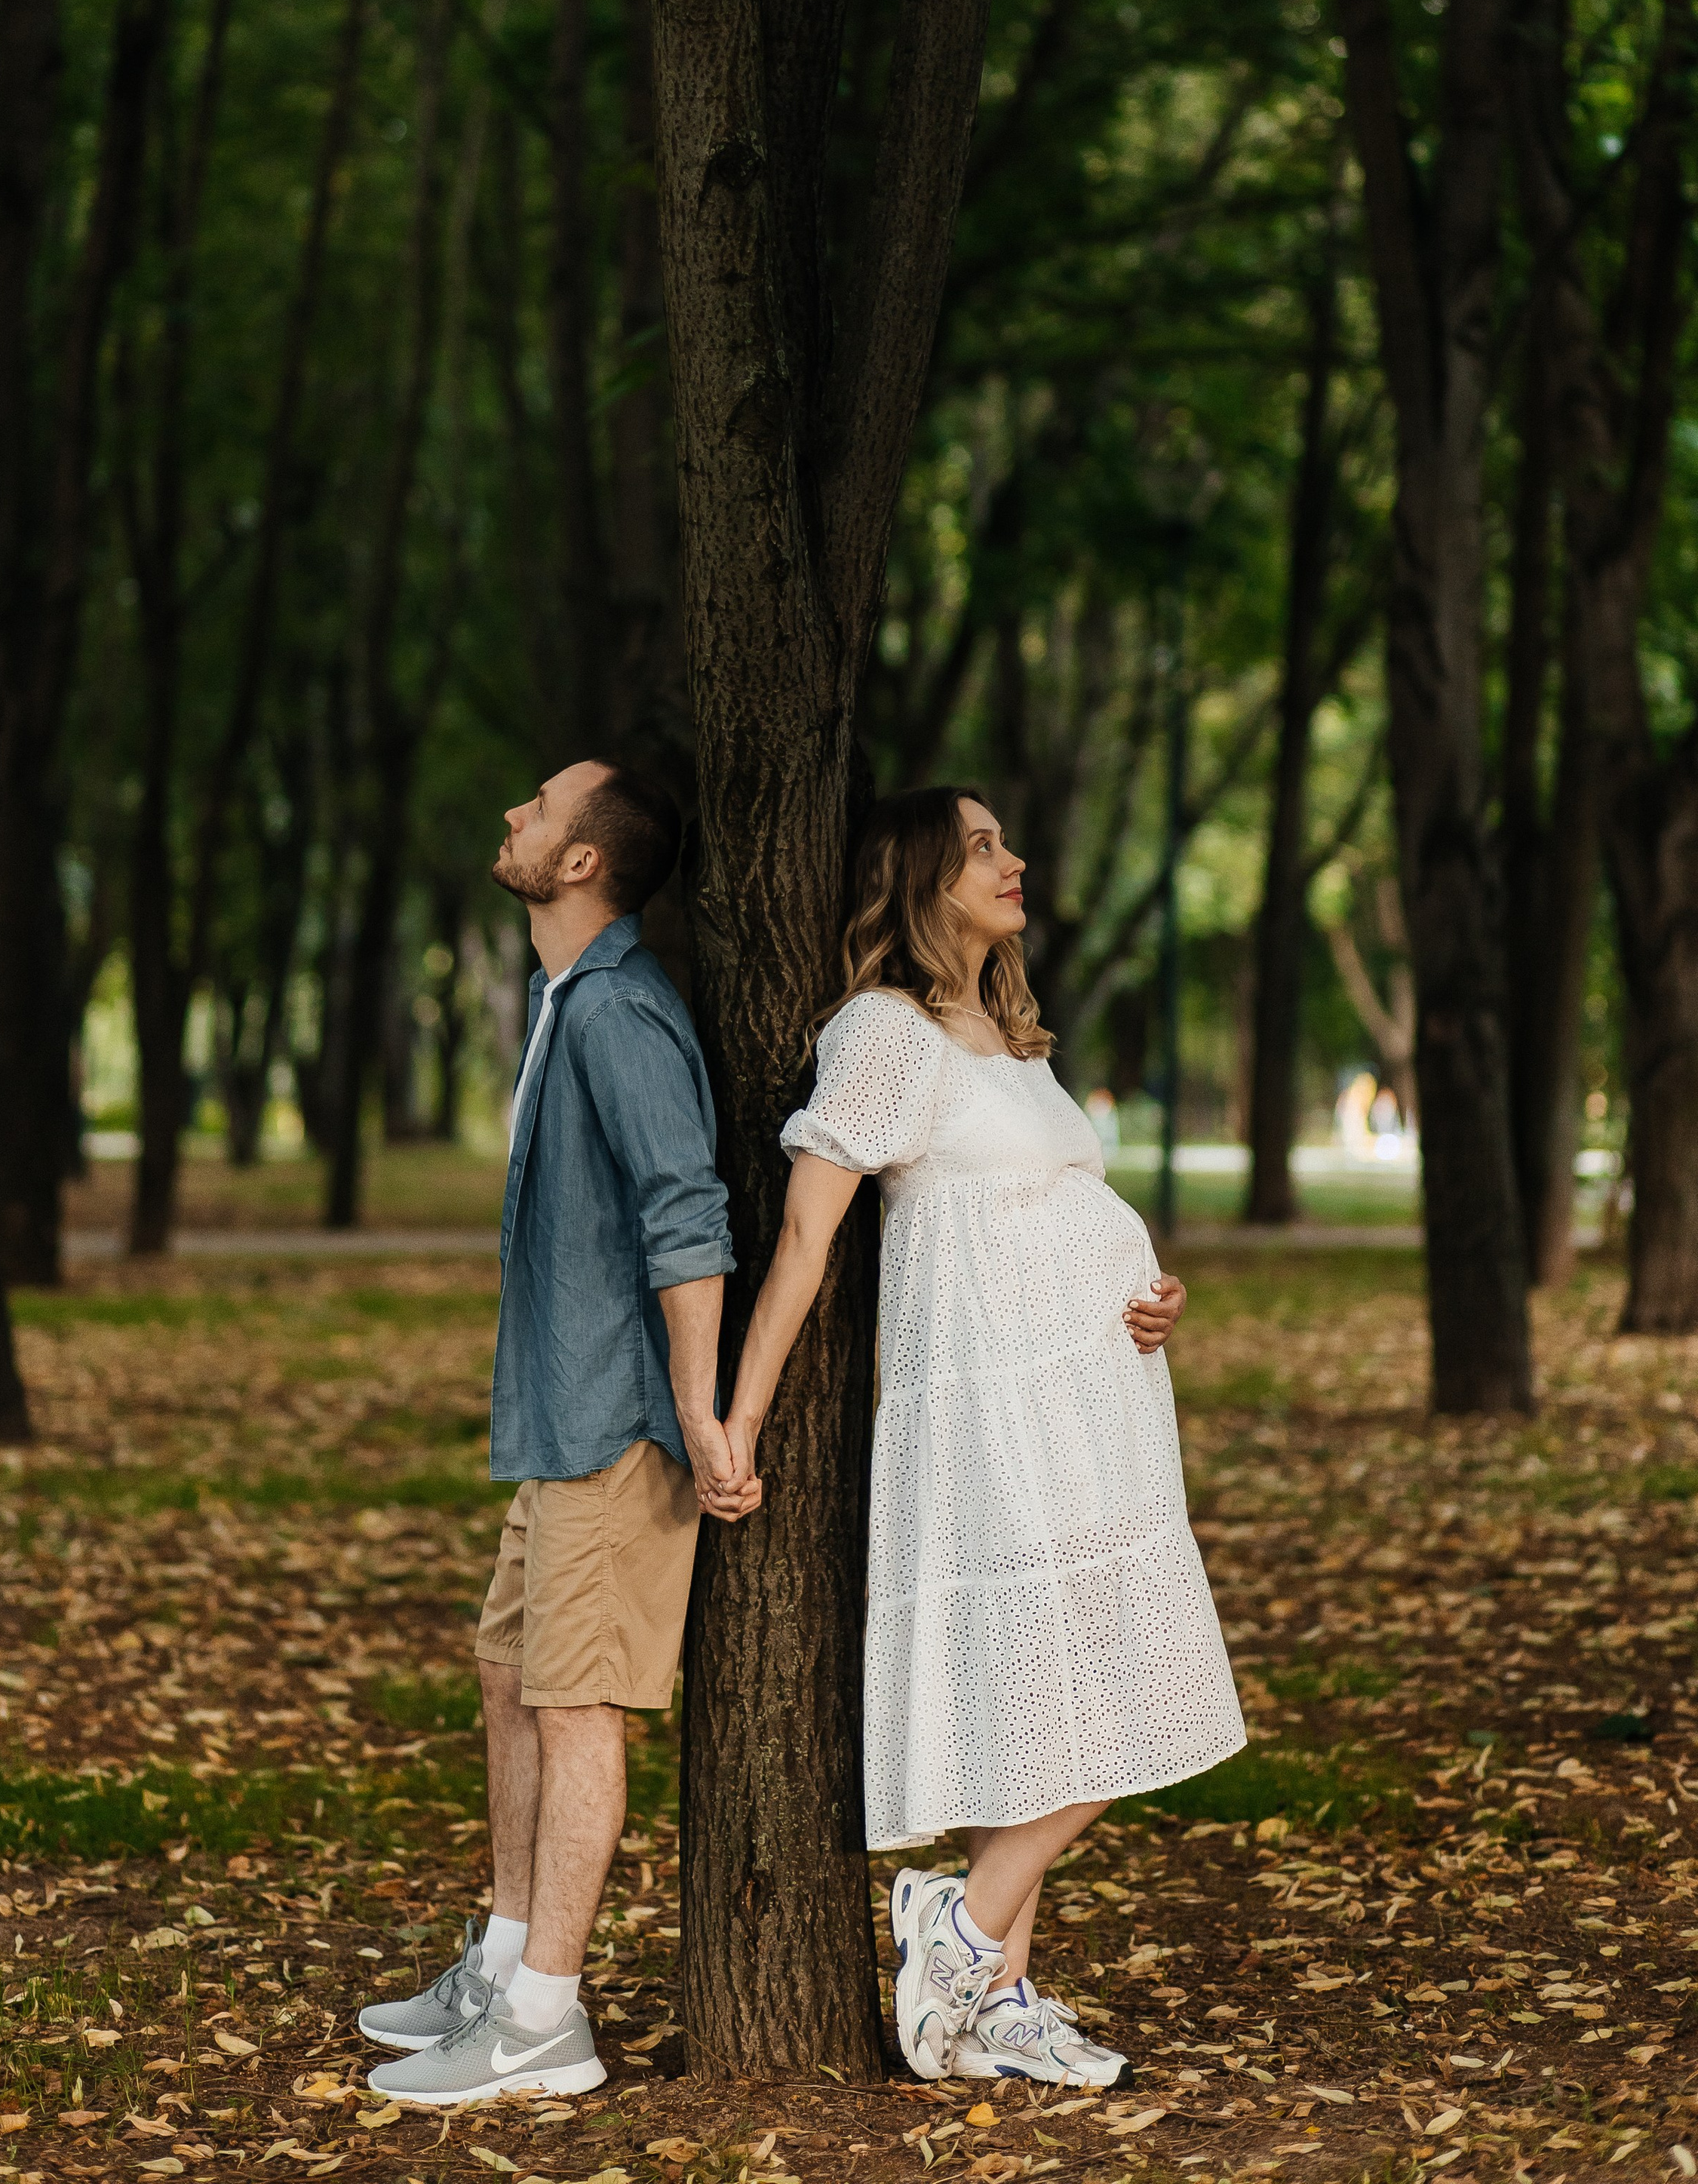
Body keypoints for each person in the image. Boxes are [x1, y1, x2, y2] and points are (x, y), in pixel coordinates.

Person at [715, 787, 1245, 2088]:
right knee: (1117, 1684)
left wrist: (1144, 1289)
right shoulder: (886, 1033)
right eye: (986, 847)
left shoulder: (1005, 1029)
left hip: (1092, 1403)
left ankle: (992, 1994)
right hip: (994, 1409)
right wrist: (735, 1415)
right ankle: (955, 1923)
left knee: (1066, 1692)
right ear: (920, 878)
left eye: (1010, 840)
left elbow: (1054, 1200)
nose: (1016, 862)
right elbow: (804, 1239)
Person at [358, 761, 743, 2109]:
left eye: (536, 808)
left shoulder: (623, 1014)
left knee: (580, 1711)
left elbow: (688, 1215)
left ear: (582, 863)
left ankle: (545, 2027)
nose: (512, 815)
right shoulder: (562, 998)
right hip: (555, 1421)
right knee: (508, 1676)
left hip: (617, 1430)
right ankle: (505, 1960)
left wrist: (700, 1415)